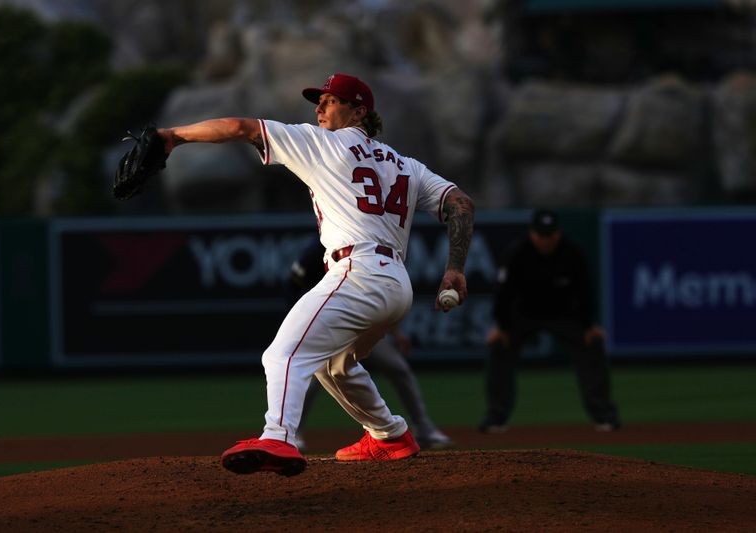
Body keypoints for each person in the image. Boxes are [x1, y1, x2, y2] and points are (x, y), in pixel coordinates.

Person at [157, 73, 474, 476]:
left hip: (357, 272)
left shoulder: (322, 143)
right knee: (334, 365)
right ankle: (389, 435)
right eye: (318, 101)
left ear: (359, 111)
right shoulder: (407, 165)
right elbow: (460, 202)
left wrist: (172, 135)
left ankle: (279, 436)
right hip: (396, 283)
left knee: (282, 354)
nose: (319, 108)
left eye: (331, 100)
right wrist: (455, 269)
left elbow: (239, 128)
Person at [287, 237, 453, 451]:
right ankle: (294, 433)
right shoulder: (321, 245)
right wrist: (301, 323)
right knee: (317, 378)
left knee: (398, 369)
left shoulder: (371, 241)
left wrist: (396, 333)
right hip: (330, 326)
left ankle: (424, 428)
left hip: (362, 324)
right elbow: (293, 283)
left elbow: (377, 295)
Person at [479, 208, 620, 433]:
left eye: (550, 235)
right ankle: (496, 417)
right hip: (524, 313)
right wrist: (502, 326)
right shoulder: (517, 252)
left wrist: (588, 325)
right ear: (532, 234)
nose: (546, 240)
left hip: (563, 313)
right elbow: (504, 292)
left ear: (558, 233)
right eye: (541, 235)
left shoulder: (572, 252)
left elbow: (586, 291)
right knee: (498, 347)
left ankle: (604, 415)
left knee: (592, 344)